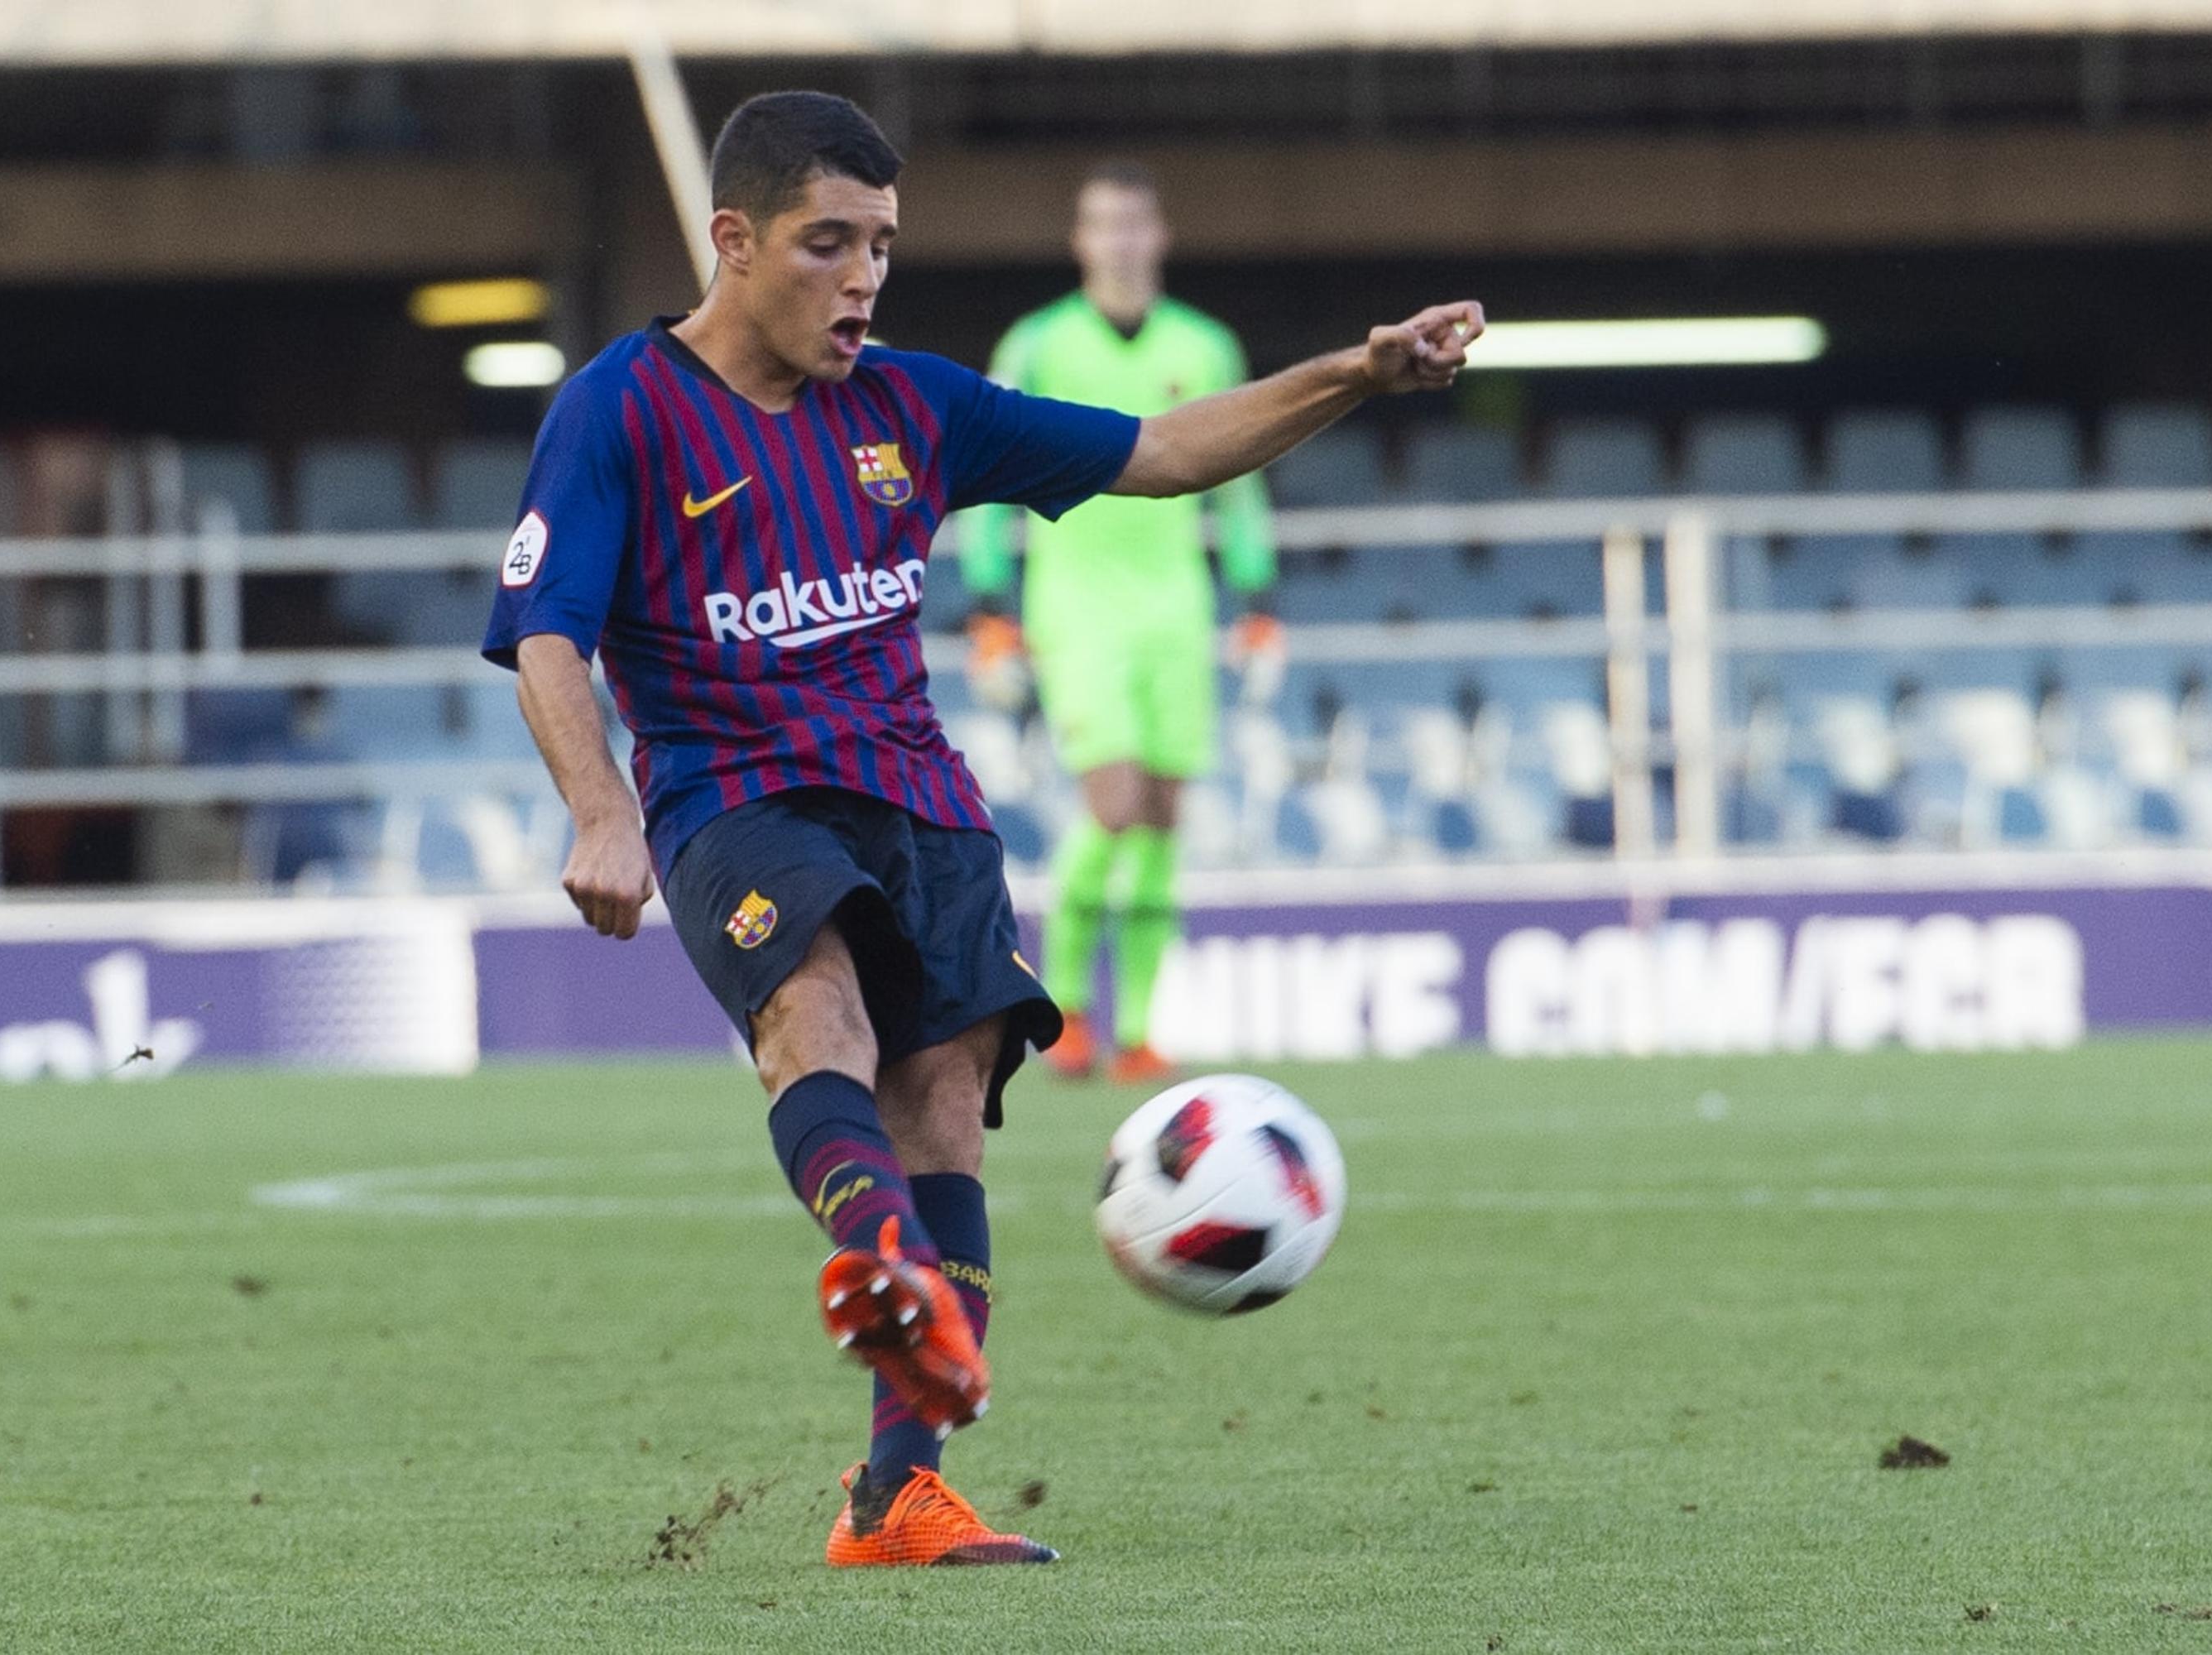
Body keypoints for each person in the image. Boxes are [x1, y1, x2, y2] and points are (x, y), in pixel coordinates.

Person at [482, 90, 1479, 1569]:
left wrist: (1354, 373)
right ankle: (897, 1275)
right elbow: (544, 634)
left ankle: (898, 1495)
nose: (864, 277)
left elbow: (1168, 449)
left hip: (921, 800)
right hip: (732, 795)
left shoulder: (916, 405)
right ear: (735, 241)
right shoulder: (622, 407)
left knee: (944, 1102)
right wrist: (600, 810)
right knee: (813, 1017)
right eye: (830, 244)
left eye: (883, 245)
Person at [956, 161, 1277, 1085]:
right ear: (1080, 240)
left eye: (1135, 223)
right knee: (1112, 803)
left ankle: (1138, 1027)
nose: (1121, 241)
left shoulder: (1206, 346)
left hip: (1178, 603)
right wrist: (988, 601)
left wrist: (1255, 596)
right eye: (1103, 225)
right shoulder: (1038, 343)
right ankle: (1063, 1006)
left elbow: (1242, 476)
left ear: (1159, 234)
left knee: (1164, 818)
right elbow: (988, 468)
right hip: (1077, 602)